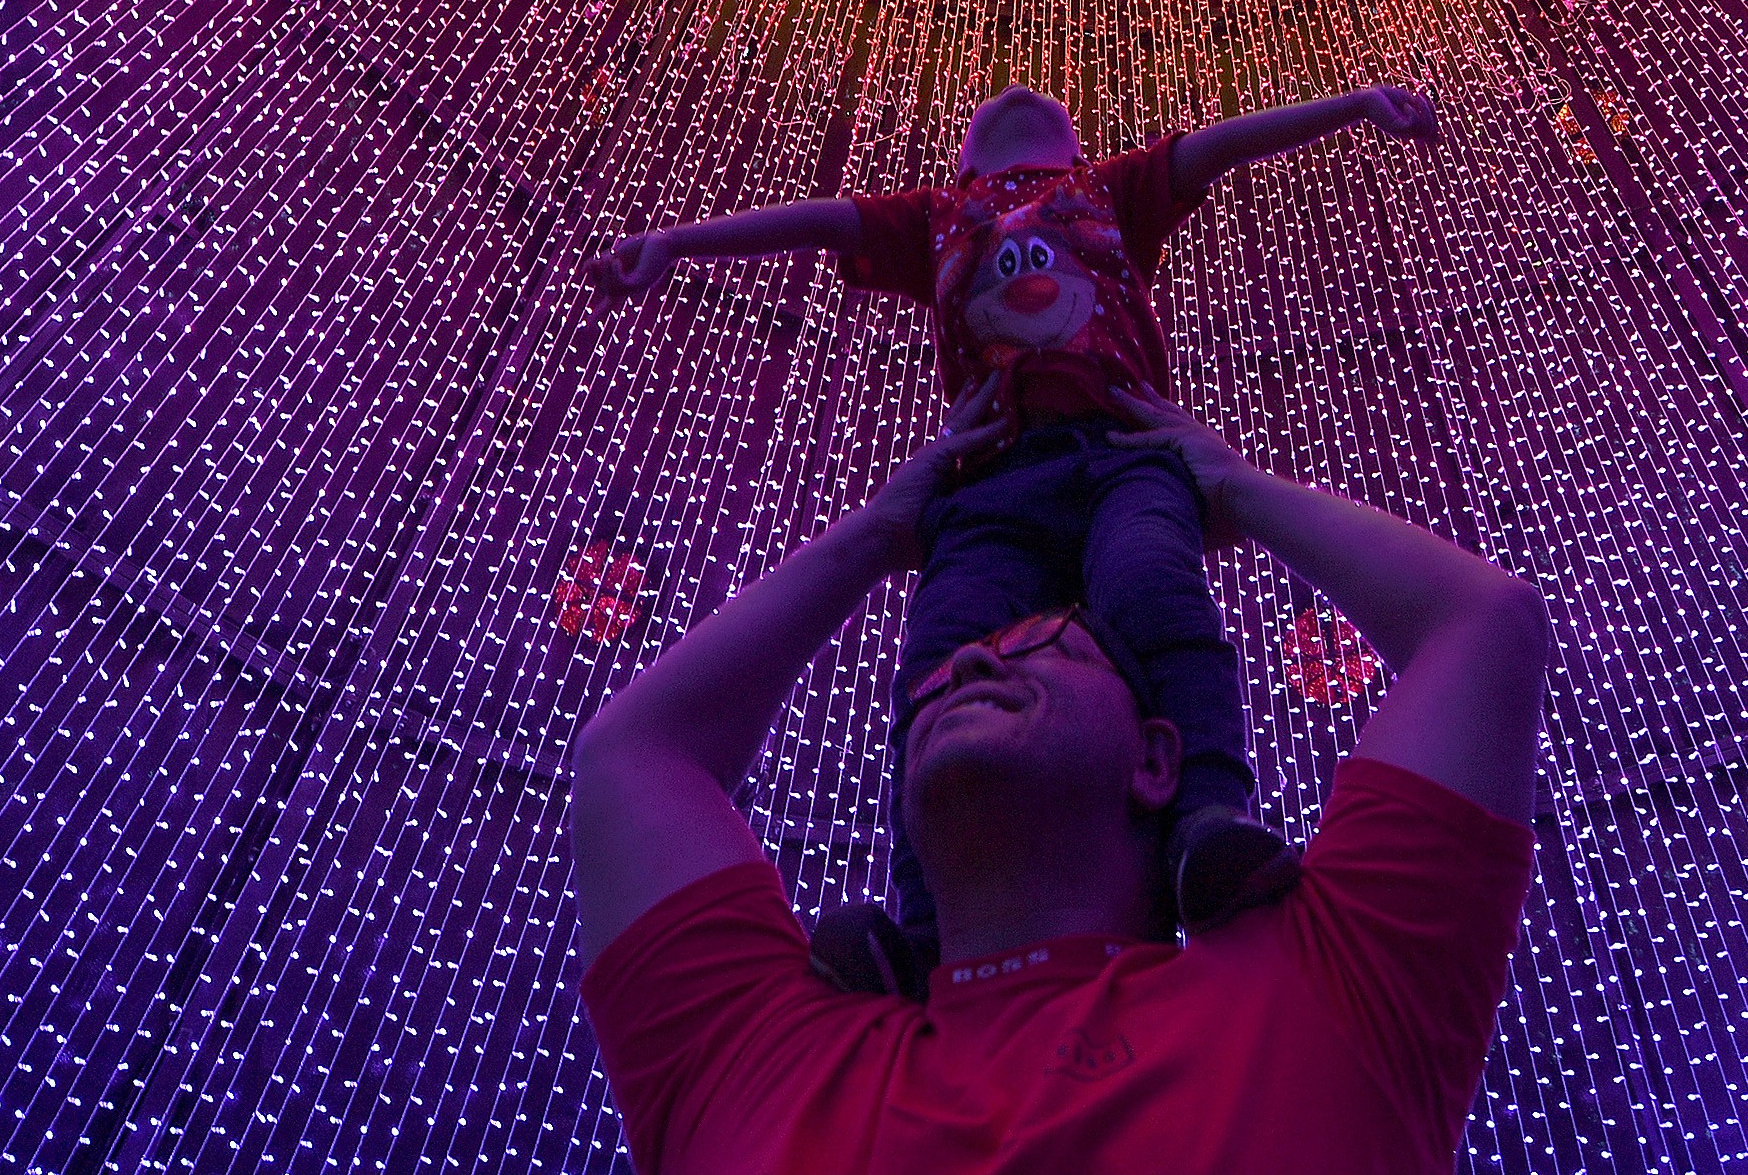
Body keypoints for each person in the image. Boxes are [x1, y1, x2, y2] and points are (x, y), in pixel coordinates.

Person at [568, 381, 1548, 1173]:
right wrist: (874, 532)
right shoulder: (759, 1049)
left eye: (1050, 647)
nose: (974, 663)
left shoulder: (1333, 984)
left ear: (1160, 758)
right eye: (947, 672)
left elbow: (1487, 619)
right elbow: (629, 748)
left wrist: (1236, 485)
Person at [587, 82, 1437, 992]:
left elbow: (1220, 145)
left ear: (1073, 155)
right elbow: (817, 221)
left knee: (1155, 593)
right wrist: (678, 241)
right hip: (986, 482)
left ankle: (1205, 824)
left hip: (1127, 454)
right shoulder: (931, 218)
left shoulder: (1111, 189)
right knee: (946, 662)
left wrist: (1351, 105)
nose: (1016, 92)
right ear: (959, 166)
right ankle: (927, 924)